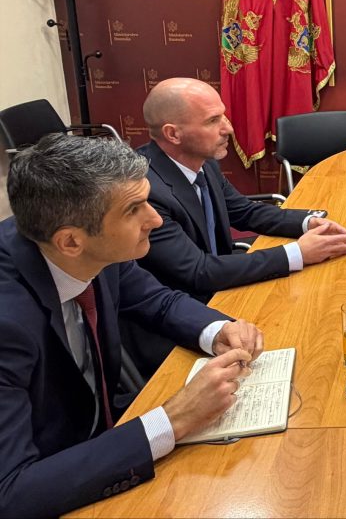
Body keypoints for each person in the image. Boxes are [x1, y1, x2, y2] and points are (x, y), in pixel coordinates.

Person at [0, 135, 264, 517]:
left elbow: (155, 300)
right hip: (59, 475)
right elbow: (12, 492)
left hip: (109, 433)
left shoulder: (87, 246)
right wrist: (173, 420)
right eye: (133, 210)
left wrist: (217, 330)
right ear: (71, 242)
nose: (155, 219)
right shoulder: (8, 322)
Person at [130, 78, 346, 376]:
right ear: (173, 133)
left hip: (225, 289)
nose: (228, 128)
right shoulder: (146, 190)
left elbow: (244, 211)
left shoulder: (202, 161)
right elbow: (198, 272)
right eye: (213, 120)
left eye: (223, 116)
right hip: (184, 320)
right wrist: (297, 253)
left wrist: (308, 221)